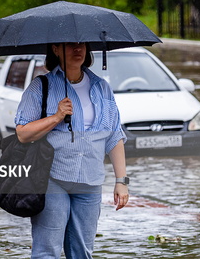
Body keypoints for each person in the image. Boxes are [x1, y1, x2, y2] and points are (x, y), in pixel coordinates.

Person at [15, 42, 129, 259]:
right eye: (70, 45)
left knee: (82, 253)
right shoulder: (41, 87)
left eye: (81, 44)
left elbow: (114, 135)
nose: (78, 49)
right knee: (47, 251)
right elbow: (23, 133)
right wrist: (56, 117)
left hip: (90, 181)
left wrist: (121, 181)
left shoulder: (101, 87)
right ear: (56, 49)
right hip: (52, 178)